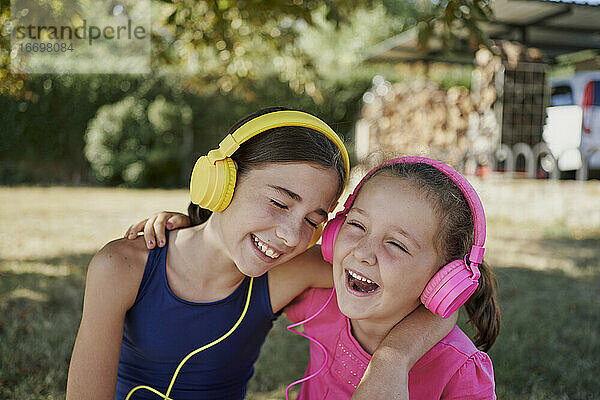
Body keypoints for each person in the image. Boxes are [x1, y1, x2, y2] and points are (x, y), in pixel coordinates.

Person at [67, 108, 454, 400]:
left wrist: (393, 360)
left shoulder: (284, 273)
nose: (289, 236)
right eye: (279, 203)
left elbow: (441, 288)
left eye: (312, 221)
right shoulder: (122, 267)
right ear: (219, 180)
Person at [283, 157, 500, 399]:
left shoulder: (460, 371)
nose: (363, 252)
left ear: (443, 280)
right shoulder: (319, 302)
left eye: (396, 244)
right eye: (357, 224)